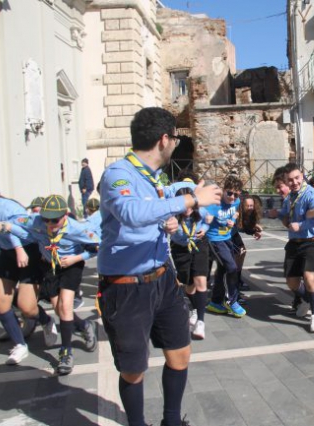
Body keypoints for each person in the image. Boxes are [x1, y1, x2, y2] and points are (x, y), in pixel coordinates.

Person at [96, 107, 221, 426]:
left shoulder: (155, 178)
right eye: (176, 140)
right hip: (126, 286)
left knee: (180, 353)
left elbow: (149, 216)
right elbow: (131, 213)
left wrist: (168, 223)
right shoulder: (118, 174)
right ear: (164, 140)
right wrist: (192, 199)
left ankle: (171, 421)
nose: (175, 145)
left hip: (163, 278)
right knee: (133, 369)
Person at [0, 195, 101, 375]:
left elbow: (98, 246)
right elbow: (22, 229)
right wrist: (6, 226)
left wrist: (76, 258)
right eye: (46, 219)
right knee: (59, 309)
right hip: (50, 265)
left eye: (55, 220)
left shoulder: (78, 229)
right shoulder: (35, 221)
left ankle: (66, 352)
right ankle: (84, 326)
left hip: (71, 265)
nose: (50, 224)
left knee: (65, 305)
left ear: (65, 215)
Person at [0, 176, 57, 365]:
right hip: (5, 255)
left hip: (28, 251)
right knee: (0, 301)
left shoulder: (9, 209)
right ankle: (20, 344)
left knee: (27, 307)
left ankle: (46, 320)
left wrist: (19, 249)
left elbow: (24, 231)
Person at [279, 163, 314, 332]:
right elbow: (286, 215)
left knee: (309, 277)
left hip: (311, 242)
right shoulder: (289, 197)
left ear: (303, 175)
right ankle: (309, 298)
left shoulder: (312, 194)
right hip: (294, 243)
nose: (294, 182)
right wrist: (279, 216)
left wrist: (301, 225)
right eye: (290, 180)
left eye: (297, 178)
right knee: (291, 282)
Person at [171, 186, 211, 340]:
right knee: (188, 284)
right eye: (183, 204)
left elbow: (208, 220)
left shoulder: (201, 211)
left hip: (199, 245)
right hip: (180, 249)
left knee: (200, 280)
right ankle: (195, 309)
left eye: (190, 203)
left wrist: (205, 229)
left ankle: (200, 321)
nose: (187, 208)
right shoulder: (172, 216)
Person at [205, 175, 246, 318]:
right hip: (214, 240)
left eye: (236, 194)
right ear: (224, 190)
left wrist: (232, 220)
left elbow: (236, 212)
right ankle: (231, 301)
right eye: (229, 193)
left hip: (227, 238)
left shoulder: (236, 201)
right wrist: (206, 219)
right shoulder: (214, 203)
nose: (232, 197)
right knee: (231, 268)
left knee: (223, 269)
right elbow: (205, 218)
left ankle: (215, 302)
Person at [234, 194, 263, 293]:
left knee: (242, 252)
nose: (250, 208)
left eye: (252, 205)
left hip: (233, 233)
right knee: (234, 256)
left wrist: (254, 231)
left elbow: (245, 227)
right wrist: (254, 228)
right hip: (225, 234)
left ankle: (237, 279)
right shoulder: (237, 212)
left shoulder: (248, 213)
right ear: (243, 206)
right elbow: (241, 227)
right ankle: (232, 282)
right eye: (248, 206)